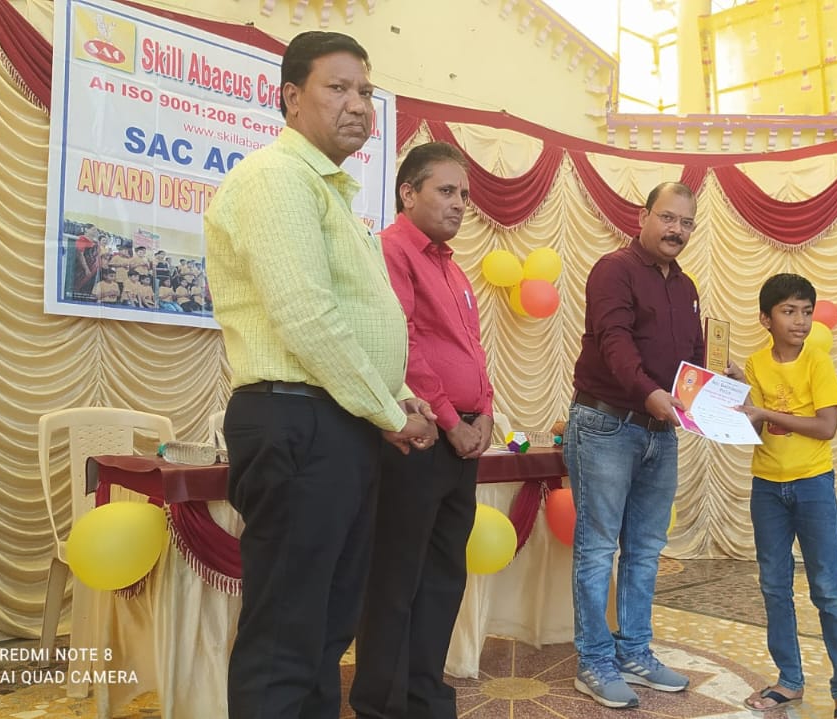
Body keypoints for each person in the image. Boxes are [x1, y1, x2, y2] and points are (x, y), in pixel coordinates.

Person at [203, 31, 437, 719]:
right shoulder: (276, 178)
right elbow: (306, 317)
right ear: (291, 98)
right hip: (298, 421)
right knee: (286, 639)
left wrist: (395, 398)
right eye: (338, 87)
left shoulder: (331, 193)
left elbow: (358, 321)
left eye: (365, 90)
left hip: (337, 423)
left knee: (326, 629)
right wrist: (389, 413)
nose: (358, 104)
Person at [349, 142, 495, 719]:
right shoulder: (390, 250)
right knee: (396, 578)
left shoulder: (453, 268)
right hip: (420, 437)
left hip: (462, 442)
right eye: (446, 190)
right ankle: (380, 705)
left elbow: (471, 349)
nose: (460, 203)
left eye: (464, 194)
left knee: (442, 577)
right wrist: (453, 421)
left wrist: (485, 411)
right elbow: (402, 342)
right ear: (407, 193)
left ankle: (424, 694)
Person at [565, 182, 704, 708]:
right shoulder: (614, 270)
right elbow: (614, 341)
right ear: (643, 217)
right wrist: (649, 393)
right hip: (606, 424)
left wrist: (719, 382)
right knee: (599, 548)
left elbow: (691, 359)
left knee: (646, 551)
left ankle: (635, 653)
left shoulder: (686, 286)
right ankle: (594, 662)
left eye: (686, 223)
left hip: (661, 430)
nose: (676, 230)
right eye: (667, 218)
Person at [737, 274, 837, 719]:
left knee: (828, 588)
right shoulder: (755, 363)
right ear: (765, 319)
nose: (801, 321)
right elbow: (750, 426)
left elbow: (826, 427)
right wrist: (730, 394)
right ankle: (789, 681)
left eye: (807, 311)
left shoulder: (817, 361)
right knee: (774, 586)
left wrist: (765, 410)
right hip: (767, 488)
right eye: (789, 311)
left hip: (813, 485)